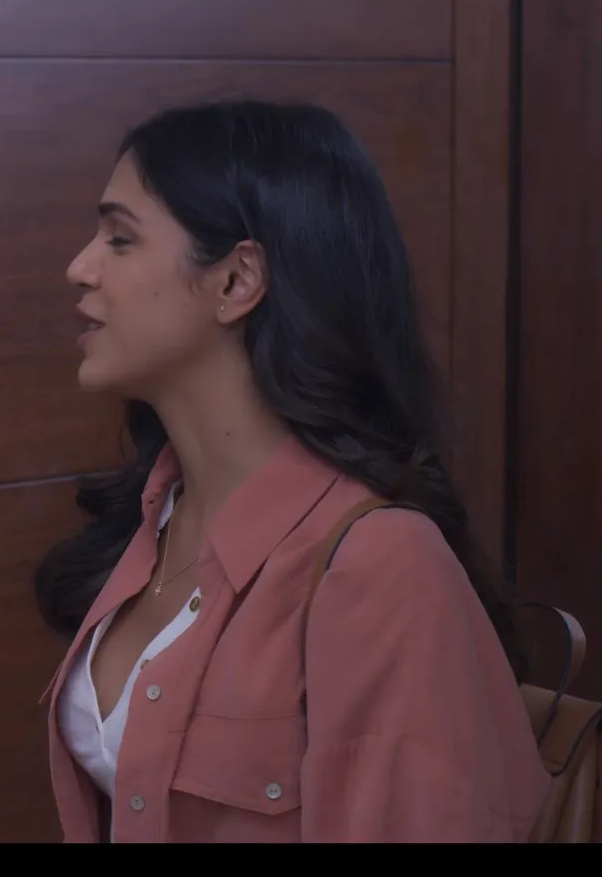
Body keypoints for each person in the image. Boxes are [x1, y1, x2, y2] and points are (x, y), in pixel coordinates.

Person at [34, 100, 551, 842]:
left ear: (236, 282)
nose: (80, 268)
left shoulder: (380, 566)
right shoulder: (155, 518)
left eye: (120, 239)